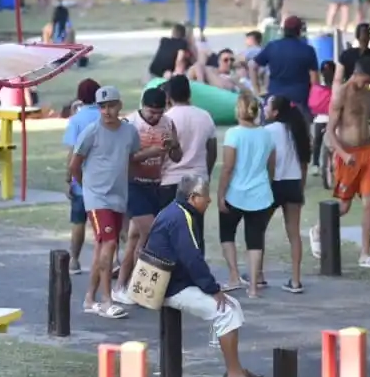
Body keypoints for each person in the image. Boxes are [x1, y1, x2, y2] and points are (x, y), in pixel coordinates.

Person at [146, 176, 265, 377]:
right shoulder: (180, 219)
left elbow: (189, 259)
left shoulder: (177, 211)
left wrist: (210, 287)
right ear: (193, 198)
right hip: (170, 288)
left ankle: (235, 368)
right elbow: (191, 258)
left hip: (175, 281)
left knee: (233, 305)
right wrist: (212, 288)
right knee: (225, 311)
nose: (209, 201)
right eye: (205, 196)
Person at [69, 86, 145, 319]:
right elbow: (75, 164)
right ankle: (106, 299)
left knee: (103, 248)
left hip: (118, 196)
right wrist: (87, 188)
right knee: (110, 244)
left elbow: (130, 157)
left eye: (111, 105)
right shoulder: (91, 132)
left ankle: (89, 298)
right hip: (96, 197)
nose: (107, 111)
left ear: (119, 105)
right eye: (102, 106)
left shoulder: (129, 132)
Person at [114, 88, 181, 305]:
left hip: (155, 185)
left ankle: (121, 287)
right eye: (151, 112)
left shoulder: (169, 124)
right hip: (132, 184)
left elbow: (177, 157)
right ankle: (138, 287)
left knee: (135, 239)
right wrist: (150, 153)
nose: (155, 117)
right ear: (142, 106)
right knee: (151, 233)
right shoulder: (130, 124)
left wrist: (174, 146)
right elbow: (123, 158)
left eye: (159, 113)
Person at [315, 58, 370, 267]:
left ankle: (365, 253)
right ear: (356, 74)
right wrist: (342, 154)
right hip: (347, 154)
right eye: (365, 80)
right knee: (343, 207)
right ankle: (318, 229)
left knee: (369, 203)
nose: (366, 84)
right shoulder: (341, 94)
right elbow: (330, 131)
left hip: (368, 151)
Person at [217, 92, 276, 296]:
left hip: (235, 192)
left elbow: (227, 167)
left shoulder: (233, 134)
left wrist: (220, 194)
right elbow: (271, 166)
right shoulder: (267, 134)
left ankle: (234, 275)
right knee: (255, 240)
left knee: (227, 233)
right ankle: (253, 287)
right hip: (260, 193)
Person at [265, 96, 310, 292]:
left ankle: (257, 274)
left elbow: (267, 161)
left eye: (268, 105)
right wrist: (301, 188)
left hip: (274, 184)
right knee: (294, 234)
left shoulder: (267, 131)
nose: (264, 108)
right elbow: (303, 163)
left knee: (258, 230)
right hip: (293, 183)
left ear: (275, 112)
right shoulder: (297, 131)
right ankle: (296, 279)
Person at [62, 79, 103, 274]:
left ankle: (74, 260)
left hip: (81, 180)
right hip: (103, 178)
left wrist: (68, 178)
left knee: (78, 222)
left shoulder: (76, 120)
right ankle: (110, 260)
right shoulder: (105, 117)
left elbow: (72, 152)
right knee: (105, 223)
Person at [160, 75, 218, 206]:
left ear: (168, 95)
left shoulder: (165, 119)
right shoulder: (205, 116)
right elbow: (212, 151)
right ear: (189, 93)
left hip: (170, 179)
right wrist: (206, 174)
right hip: (198, 179)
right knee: (195, 224)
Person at [250, 16, 319, 114]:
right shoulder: (308, 50)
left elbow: (252, 65)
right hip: (299, 98)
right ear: (299, 31)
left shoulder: (272, 46)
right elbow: (315, 80)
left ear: (283, 30)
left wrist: (256, 89)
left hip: (275, 96)